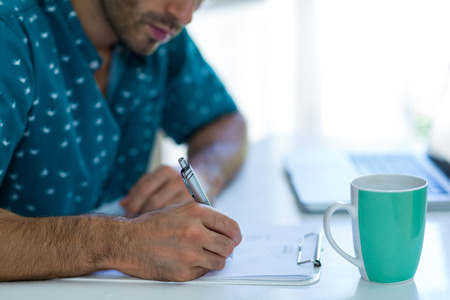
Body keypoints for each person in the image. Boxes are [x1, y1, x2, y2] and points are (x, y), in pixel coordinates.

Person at [0, 0, 247, 282]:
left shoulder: (157, 33)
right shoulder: (10, 34)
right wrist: (122, 242)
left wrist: (204, 173)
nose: (184, 15)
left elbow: (225, 121)